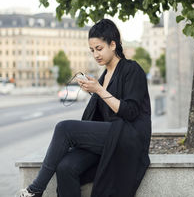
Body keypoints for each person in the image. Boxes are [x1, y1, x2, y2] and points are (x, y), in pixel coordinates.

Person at [17, 18, 152, 197]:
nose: (95, 55)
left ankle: (35, 190)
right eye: (91, 50)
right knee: (66, 167)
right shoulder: (104, 75)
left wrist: (99, 90)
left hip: (128, 137)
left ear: (113, 45)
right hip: (108, 137)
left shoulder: (132, 69)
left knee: (64, 127)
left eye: (99, 48)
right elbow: (100, 115)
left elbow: (130, 111)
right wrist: (95, 91)